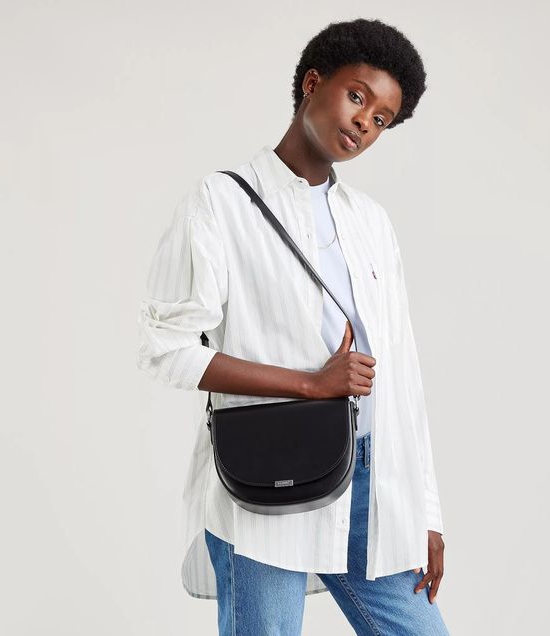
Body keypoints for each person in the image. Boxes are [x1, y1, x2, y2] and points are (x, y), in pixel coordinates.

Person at [136, 17, 449, 635]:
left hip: (373, 481)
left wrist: (426, 513)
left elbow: (404, 374)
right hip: (265, 484)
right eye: (357, 96)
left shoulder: (371, 222)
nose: (364, 122)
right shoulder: (221, 202)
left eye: (381, 119)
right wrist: (309, 384)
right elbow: (165, 348)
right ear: (312, 83)